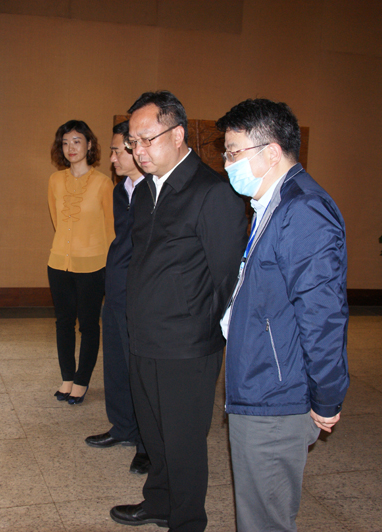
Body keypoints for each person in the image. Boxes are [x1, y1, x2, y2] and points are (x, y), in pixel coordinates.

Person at [110, 91, 247, 532]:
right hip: (143, 335)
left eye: (147, 139)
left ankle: (187, 520)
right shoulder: (144, 191)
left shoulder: (212, 193)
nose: (139, 151)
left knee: (183, 442)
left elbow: (228, 279)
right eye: (133, 142)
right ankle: (159, 501)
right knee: (154, 433)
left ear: (177, 134)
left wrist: (202, 332)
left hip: (186, 345)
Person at [216, 98, 349, 532]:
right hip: (260, 381)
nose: (227, 163)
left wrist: (327, 396)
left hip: (275, 396)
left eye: (233, 153)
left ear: (271, 152)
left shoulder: (303, 210)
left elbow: (323, 316)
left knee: (264, 521)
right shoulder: (272, 203)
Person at [84, 121, 150, 475]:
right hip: (116, 290)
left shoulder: (155, 190)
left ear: (136, 149)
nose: (111, 158)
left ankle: (147, 443)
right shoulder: (120, 190)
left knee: (141, 371)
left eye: (116, 151)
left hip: (141, 295)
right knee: (116, 364)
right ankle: (123, 426)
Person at [47, 120, 114, 405]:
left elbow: (111, 229)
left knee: (88, 324)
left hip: (93, 266)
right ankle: (67, 377)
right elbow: (57, 221)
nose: (70, 148)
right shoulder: (54, 180)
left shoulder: (103, 183)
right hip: (58, 263)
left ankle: (82, 380)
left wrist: (110, 267)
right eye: (65, 142)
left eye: (76, 141)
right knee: (63, 323)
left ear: (89, 145)